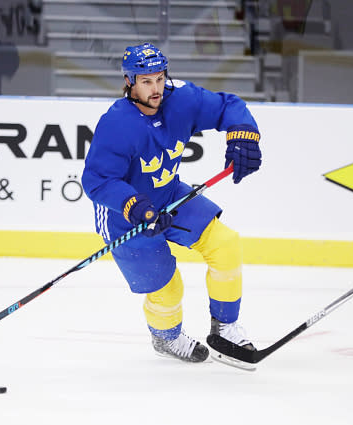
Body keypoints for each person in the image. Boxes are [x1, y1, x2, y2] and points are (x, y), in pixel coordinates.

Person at [81, 43, 262, 365]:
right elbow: (98, 181)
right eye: (146, 81)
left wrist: (243, 134)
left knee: (226, 244)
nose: (156, 89)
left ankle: (225, 326)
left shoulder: (182, 99)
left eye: (160, 79)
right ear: (129, 82)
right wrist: (134, 205)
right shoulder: (117, 124)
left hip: (170, 195)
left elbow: (227, 106)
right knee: (167, 288)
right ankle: (166, 337)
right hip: (125, 215)